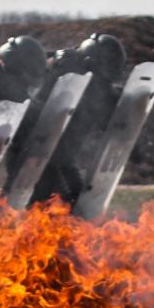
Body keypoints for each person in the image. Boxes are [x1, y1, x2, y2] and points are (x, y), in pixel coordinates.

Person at [30, 33, 126, 204]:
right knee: (52, 202)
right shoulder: (59, 71)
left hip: (65, 158)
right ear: (88, 65)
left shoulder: (98, 87)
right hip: (39, 157)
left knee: (80, 201)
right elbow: (36, 112)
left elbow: (107, 114)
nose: (103, 84)